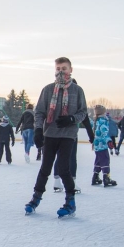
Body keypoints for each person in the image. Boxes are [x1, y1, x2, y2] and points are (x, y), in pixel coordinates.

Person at [25, 57, 87, 218]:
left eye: (64, 68)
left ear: (70, 70)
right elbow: (39, 112)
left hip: (68, 135)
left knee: (64, 168)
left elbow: (83, 112)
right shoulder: (47, 89)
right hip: (50, 134)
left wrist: (72, 119)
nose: (61, 72)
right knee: (45, 168)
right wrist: (38, 130)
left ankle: (70, 202)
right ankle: (35, 198)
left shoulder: (77, 90)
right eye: (58, 68)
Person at [91, 105, 117, 187]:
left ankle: (95, 177)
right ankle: (106, 177)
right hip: (102, 145)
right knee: (105, 160)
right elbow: (104, 133)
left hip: (96, 145)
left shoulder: (96, 120)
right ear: (102, 112)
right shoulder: (103, 121)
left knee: (98, 160)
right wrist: (109, 140)